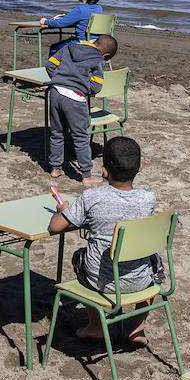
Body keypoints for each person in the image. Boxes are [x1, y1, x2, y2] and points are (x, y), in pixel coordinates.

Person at [48, 136, 163, 345]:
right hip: (143, 281)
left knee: (79, 257)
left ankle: (96, 326)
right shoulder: (148, 198)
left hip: (102, 281)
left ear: (104, 171)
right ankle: (138, 328)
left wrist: (64, 211)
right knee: (153, 260)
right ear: (140, 168)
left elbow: (55, 227)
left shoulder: (92, 197)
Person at [46, 34, 119, 186]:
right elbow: (96, 86)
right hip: (75, 98)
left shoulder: (69, 47)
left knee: (57, 132)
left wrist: (61, 79)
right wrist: (83, 87)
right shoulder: (98, 60)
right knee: (80, 137)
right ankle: (86, 175)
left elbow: (50, 65)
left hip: (56, 92)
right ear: (105, 55)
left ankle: (55, 168)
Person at [40, 0, 104, 55]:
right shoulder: (99, 8)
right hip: (96, 42)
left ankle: (54, 66)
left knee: (54, 48)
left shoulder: (80, 9)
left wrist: (45, 21)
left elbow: (61, 23)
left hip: (82, 42)